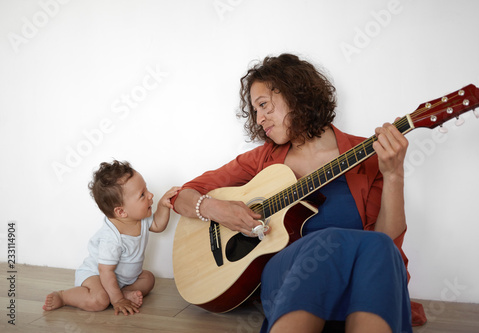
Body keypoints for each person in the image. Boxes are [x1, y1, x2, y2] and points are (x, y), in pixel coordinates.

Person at [172, 53, 425, 332]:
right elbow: (182, 196)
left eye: (264, 105)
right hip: (289, 279)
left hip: (359, 284)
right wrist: (221, 210)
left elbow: (387, 240)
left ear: (296, 94)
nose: (259, 119)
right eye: (255, 111)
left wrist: (393, 174)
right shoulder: (262, 161)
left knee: (378, 246)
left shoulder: (365, 155)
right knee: (327, 241)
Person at [43, 160, 180, 316]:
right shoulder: (111, 238)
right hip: (97, 275)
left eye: (146, 189)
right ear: (121, 212)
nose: (150, 195)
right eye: (142, 195)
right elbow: (105, 271)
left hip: (123, 279)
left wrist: (163, 206)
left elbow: (158, 225)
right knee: (99, 300)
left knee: (148, 278)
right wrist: (117, 300)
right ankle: (64, 296)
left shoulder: (140, 218)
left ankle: (123, 292)